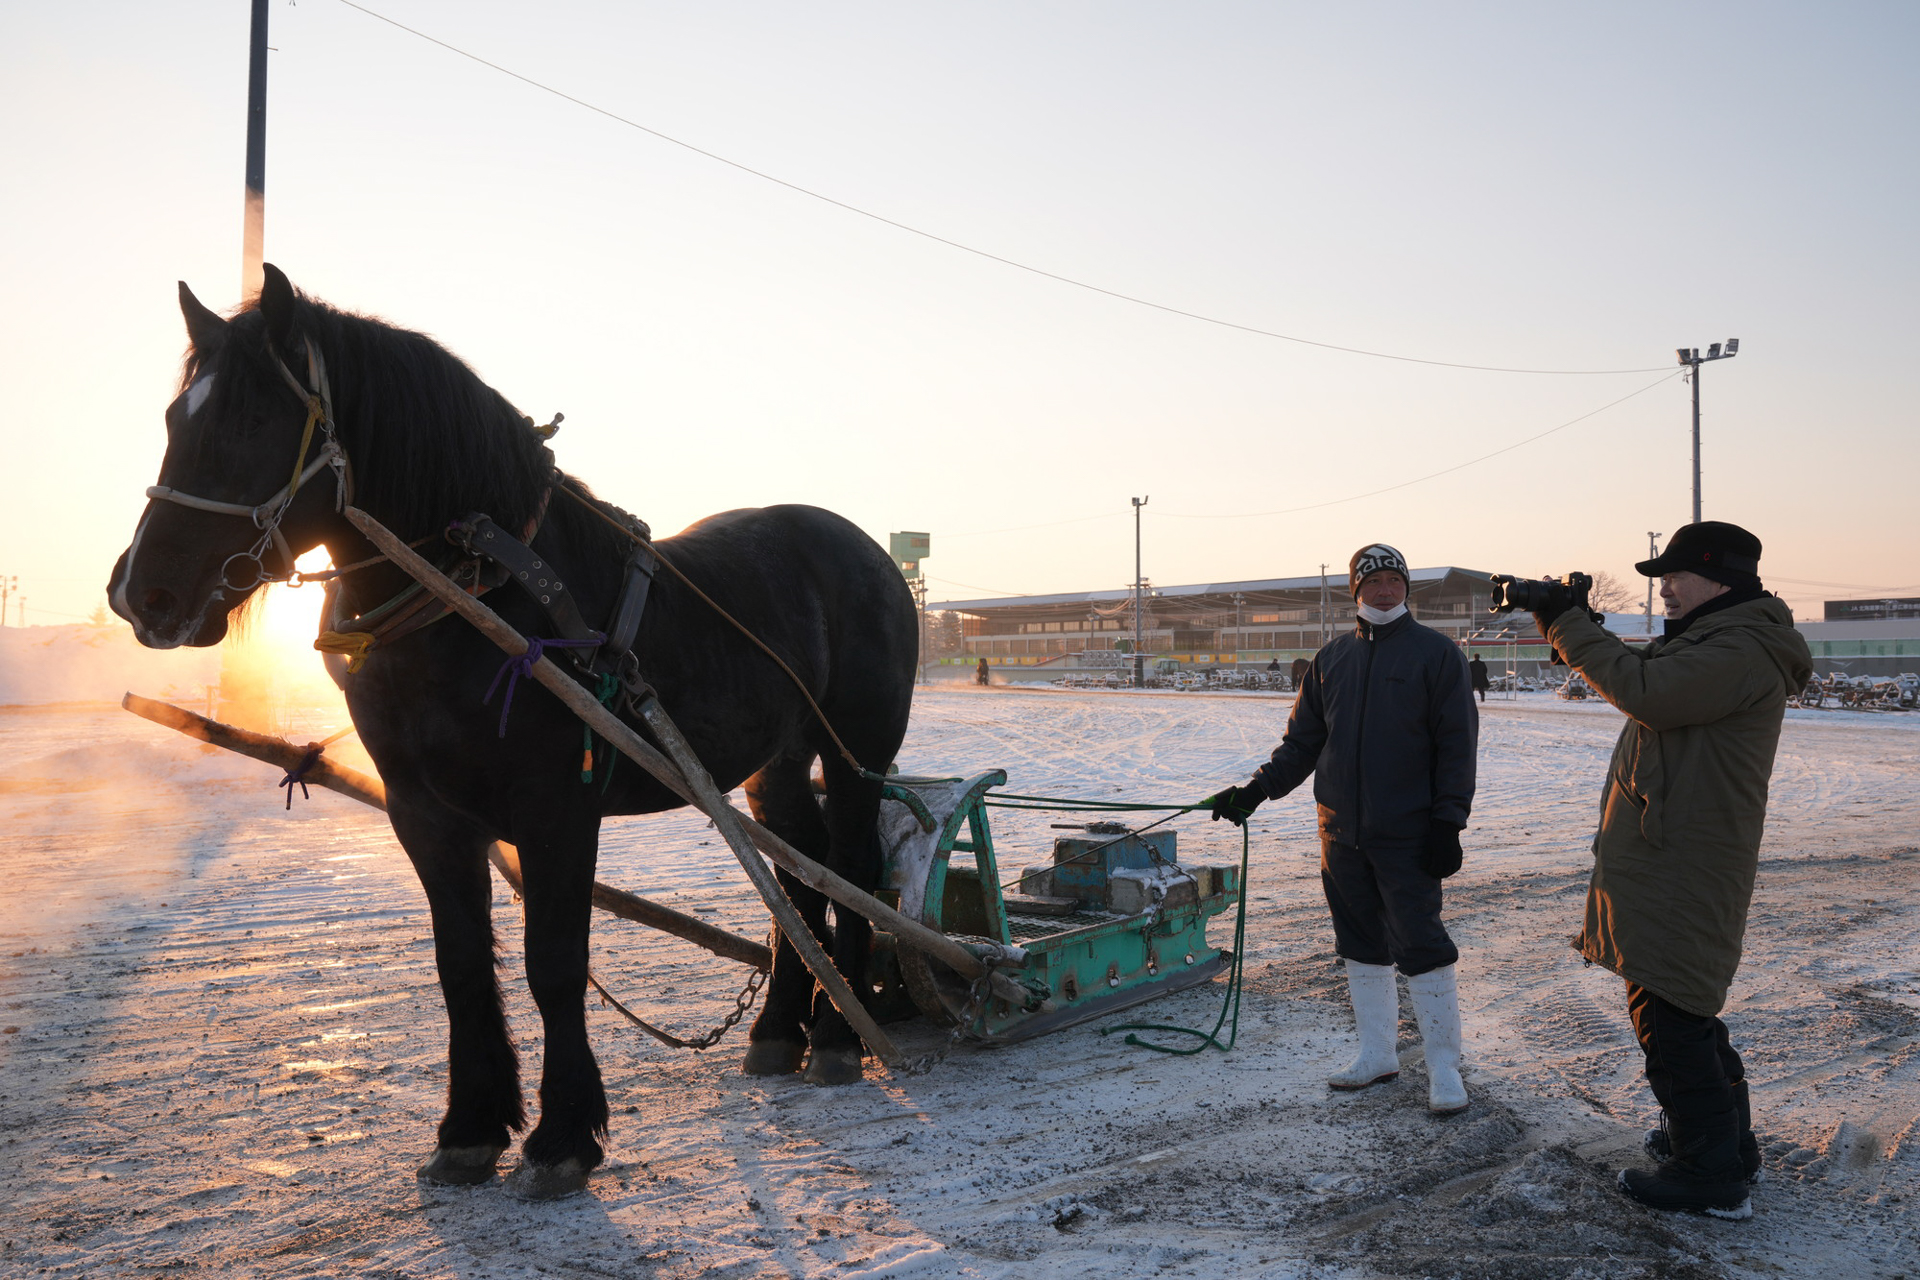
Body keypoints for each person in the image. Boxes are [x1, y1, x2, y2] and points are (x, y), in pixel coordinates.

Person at [1532, 521, 1811, 1220]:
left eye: (1674, 577)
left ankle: (1710, 1173)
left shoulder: (1740, 649)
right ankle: (1723, 1144)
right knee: (1683, 1012)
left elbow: (1645, 692)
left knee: (1671, 1018)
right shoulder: (1716, 642)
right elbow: (1648, 672)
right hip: (1675, 854)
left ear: (1720, 578)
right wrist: (1582, 622)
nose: (1666, 591)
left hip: (1687, 862)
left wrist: (1566, 623)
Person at [1206, 543, 1478, 1115]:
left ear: (1406, 589)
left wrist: (1448, 822)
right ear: (1356, 589)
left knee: (1422, 943)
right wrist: (1255, 791)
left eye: (1394, 580)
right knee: (1359, 943)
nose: (1385, 589)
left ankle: (1444, 1068)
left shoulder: (1437, 655)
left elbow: (1457, 746)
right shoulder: (1331, 659)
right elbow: (1304, 744)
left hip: (1409, 832)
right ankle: (1378, 1054)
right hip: (1341, 833)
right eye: (1373, 580)